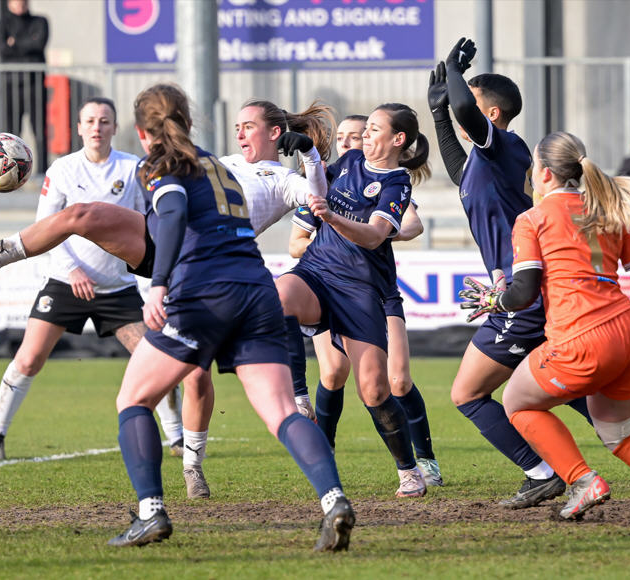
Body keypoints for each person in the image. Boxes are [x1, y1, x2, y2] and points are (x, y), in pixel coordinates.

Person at [0, 98, 336, 499]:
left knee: (194, 377)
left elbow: (320, 202)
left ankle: (191, 465)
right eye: (237, 127)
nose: (240, 134)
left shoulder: (284, 180)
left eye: (248, 126)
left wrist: (310, 156)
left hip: (199, 263)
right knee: (82, 215)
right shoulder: (219, 161)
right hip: (161, 238)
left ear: (275, 133)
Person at [104, 83, 353, 549]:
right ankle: (334, 500)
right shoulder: (218, 164)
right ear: (189, 121)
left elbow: (172, 214)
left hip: (203, 293)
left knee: (134, 400)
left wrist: (158, 283)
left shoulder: (161, 162)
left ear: (142, 132)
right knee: (282, 411)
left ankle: (151, 513)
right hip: (257, 289)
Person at [460, 130, 630, 522]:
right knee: (621, 435)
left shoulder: (532, 218)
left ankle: (582, 480)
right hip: (629, 334)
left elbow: (524, 291)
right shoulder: (606, 211)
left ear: (545, 173)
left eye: (533, 166)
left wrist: (495, 301)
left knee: (516, 401)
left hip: (580, 336)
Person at [428, 38, 592, 509]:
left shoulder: (504, 146)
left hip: (523, 297)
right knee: (567, 389)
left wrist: (456, 75)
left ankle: (541, 472)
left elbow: (466, 108)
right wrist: (438, 113)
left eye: (472, 103)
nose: (462, 107)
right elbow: (458, 171)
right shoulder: (486, 161)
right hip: (531, 292)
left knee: (468, 393)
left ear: (493, 114)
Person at [0, 97, 183, 462]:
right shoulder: (62, 169)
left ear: (115, 127)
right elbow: (44, 229)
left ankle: (178, 438)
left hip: (117, 288)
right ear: (78, 128)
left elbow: (149, 224)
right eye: (90, 121)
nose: (97, 127)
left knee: (157, 358)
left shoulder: (133, 167)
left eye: (104, 121)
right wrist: (72, 269)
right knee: (28, 359)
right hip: (65, 282)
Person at [277, 102, 433, 498]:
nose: (365, 135)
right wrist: (307, 150)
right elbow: (315, 184)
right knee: (277, 298)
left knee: (376, 390)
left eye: (374, 129)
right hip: (317, 271)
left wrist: (332, 217)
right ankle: (298, 396)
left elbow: (376, 236)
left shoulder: (397, 184)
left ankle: (410, 470)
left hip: (360, 290)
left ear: (397, 139)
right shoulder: (348, 161)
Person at [0, 0, 49, 172]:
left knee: (39, 130)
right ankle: (11, 172)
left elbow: (38, 44)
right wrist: (28, 42)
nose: (20, 4)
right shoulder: (3, 24)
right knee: (11, 133)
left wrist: (15, 42)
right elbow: (3, 49)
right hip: (11, 86)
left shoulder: (40, 21)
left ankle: (42, 171)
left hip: (35, 85)